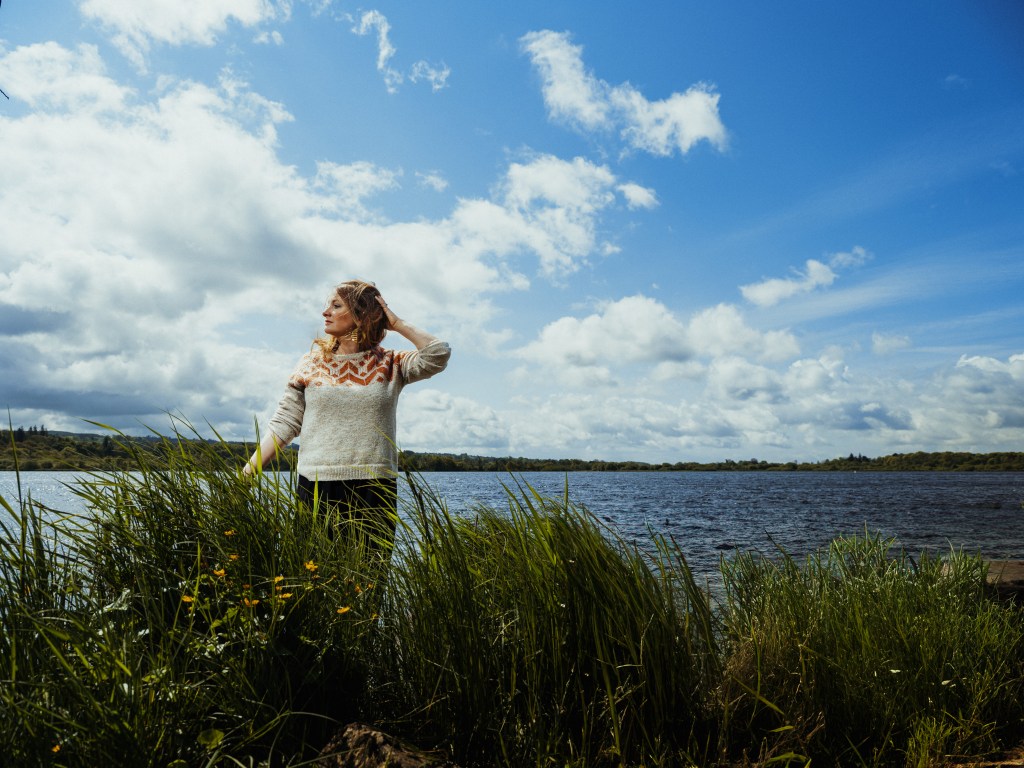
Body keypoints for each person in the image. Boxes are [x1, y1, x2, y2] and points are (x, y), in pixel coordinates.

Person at [245, 279, 450, 555]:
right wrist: (245, 476)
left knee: (369, 584)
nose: (325, 312)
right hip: (316, 487)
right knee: (314, 582)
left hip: (374, 489)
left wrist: (396, 322)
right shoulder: (311, 363)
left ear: (361, 314)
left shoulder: (391, 363)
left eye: (336, 305)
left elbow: (438, 354)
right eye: (327, 305)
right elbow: (285, 424)